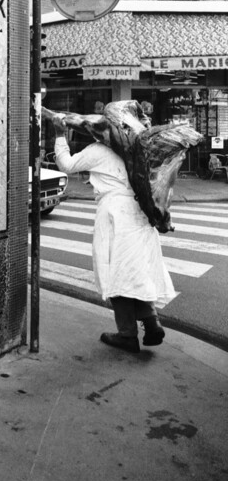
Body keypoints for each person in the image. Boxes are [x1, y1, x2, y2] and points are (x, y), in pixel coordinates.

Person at [51, 113, 176, 353]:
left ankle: (127, 334)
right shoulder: (140, 151)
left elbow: (66, 164)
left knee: (116, 271)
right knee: (137, 270)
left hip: (115, 213)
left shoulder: (99, 151)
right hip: (139, 212)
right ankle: (151, 322)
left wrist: (59, 135)